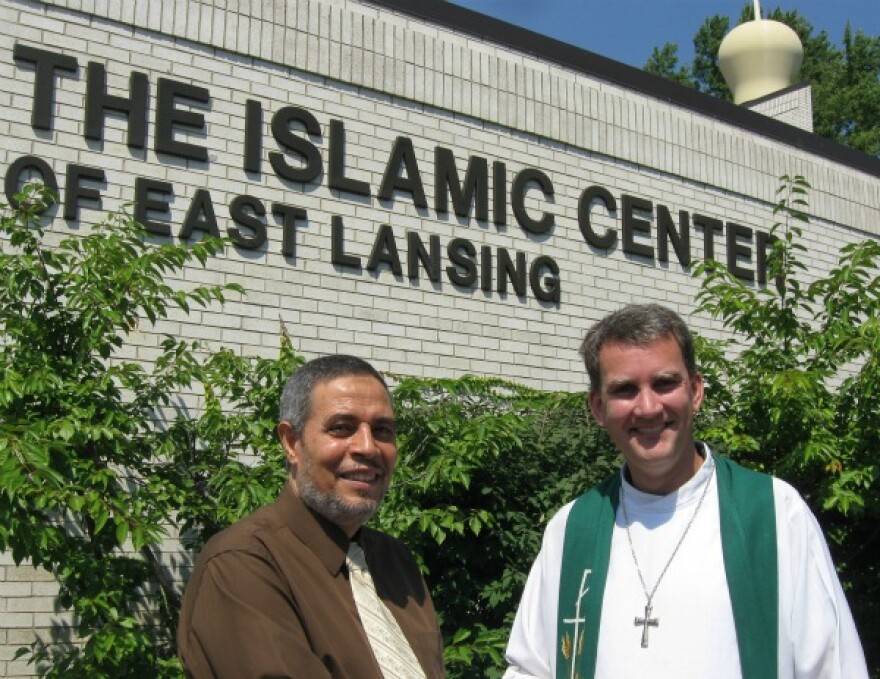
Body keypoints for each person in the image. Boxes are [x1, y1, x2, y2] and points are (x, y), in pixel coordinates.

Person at [503, 304, 868, 679]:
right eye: (625, 390)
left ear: (695, 391)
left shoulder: (774, 514)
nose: (648, 408)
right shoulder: (571, 529)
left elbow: (834, 667)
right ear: (598, 407)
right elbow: (530, 669)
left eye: (664, 383)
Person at [178, 355, 445, 678]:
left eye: (382, 430)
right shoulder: (242, 564)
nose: (368, 447)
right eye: (341, 428)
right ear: (292, 443)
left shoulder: (395, 562)